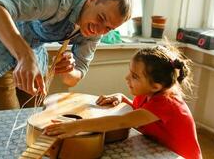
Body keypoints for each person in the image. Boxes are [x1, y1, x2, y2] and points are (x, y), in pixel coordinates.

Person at [0, 0, 132, 111]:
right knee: (5, 124)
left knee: (31, 119)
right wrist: (25, 56)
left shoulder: (96, 31)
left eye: (108, 28)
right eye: (101, 17)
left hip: (32, 51)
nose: (99, 29)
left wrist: (69, 70)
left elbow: (74, 77)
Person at [44, 45, 202, 159]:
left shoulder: (166, 102)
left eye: (134, 76)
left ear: (156, 86)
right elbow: (139, 113)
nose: (127, 78)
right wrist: (122, 97)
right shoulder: (149, 93)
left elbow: (122, 122)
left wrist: (76, 126)